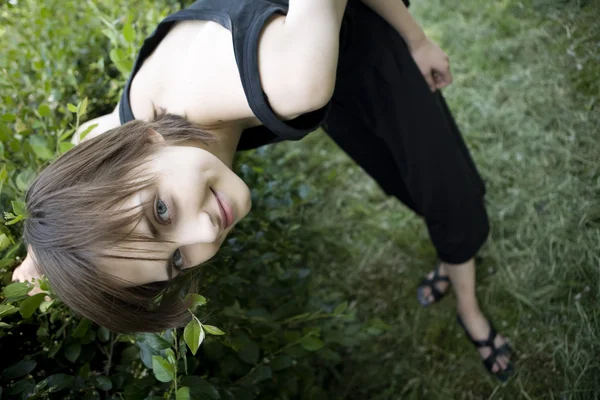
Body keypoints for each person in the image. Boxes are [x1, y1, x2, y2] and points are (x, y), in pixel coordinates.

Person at [12, 0, 513, 380]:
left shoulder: (293, 78)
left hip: (372, 55)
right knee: (404, 182)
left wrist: (414, 38)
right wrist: (42, 257)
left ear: (145, 140)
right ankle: (451, 254)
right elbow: (82, 153)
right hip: (332, 58)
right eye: (178, 261)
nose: (204, 230)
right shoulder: (118, 140)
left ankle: (468, 305)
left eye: (161, 212)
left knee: (451, 196)